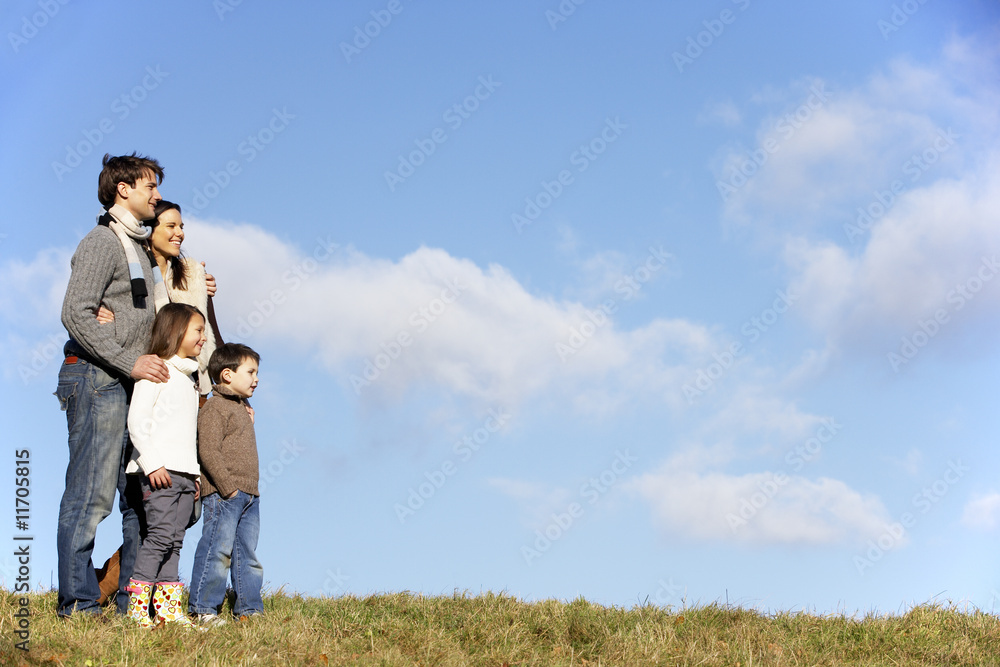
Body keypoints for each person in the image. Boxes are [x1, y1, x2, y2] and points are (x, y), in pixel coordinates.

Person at [56, 152, 168, 618]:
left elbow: (140, 310)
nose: (156, 196)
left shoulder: (140, 247)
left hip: (128, 382)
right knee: (92, 494)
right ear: (123, 189)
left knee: (137, 499)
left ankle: (130, 603)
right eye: (149, 187)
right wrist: (128, 357)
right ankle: (78, 604)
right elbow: (75, 311)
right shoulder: (104, 241)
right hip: (98, 379)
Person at [94, 200, 220, 613]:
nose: (179, 231)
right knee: (144, 503)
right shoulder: (133, 262)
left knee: (183, 514)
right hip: (150, 374)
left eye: (182, 225)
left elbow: (207, 328)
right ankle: (127, 594)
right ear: (150, 229)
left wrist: (222, 386)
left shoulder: (194, 272)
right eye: (170, 224)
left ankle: (157, 602)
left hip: (191, 382)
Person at [124, 303, 205, 628]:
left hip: (185, 474)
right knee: (158, 537)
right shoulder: (157, 372)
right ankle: (136, 609)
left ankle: (168, 610)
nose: (203, 336)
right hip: (159, 473)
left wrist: (195, 474)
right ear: (176, 332)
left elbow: (185, 435)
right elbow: (138, 421)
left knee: (175, 540)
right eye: (198, 330)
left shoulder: (188, 379)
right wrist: (153, 463)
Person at [188, 343, 264, 623]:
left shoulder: (242, 409)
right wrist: (227, 487)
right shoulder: (215, 407)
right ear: (227, 375)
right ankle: (203, 609)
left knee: (248, 554)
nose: (256, 379)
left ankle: (249, 609)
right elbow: (208, 450)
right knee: (217, 550)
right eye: (251, 371)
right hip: (225, 493)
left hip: (249, 494)